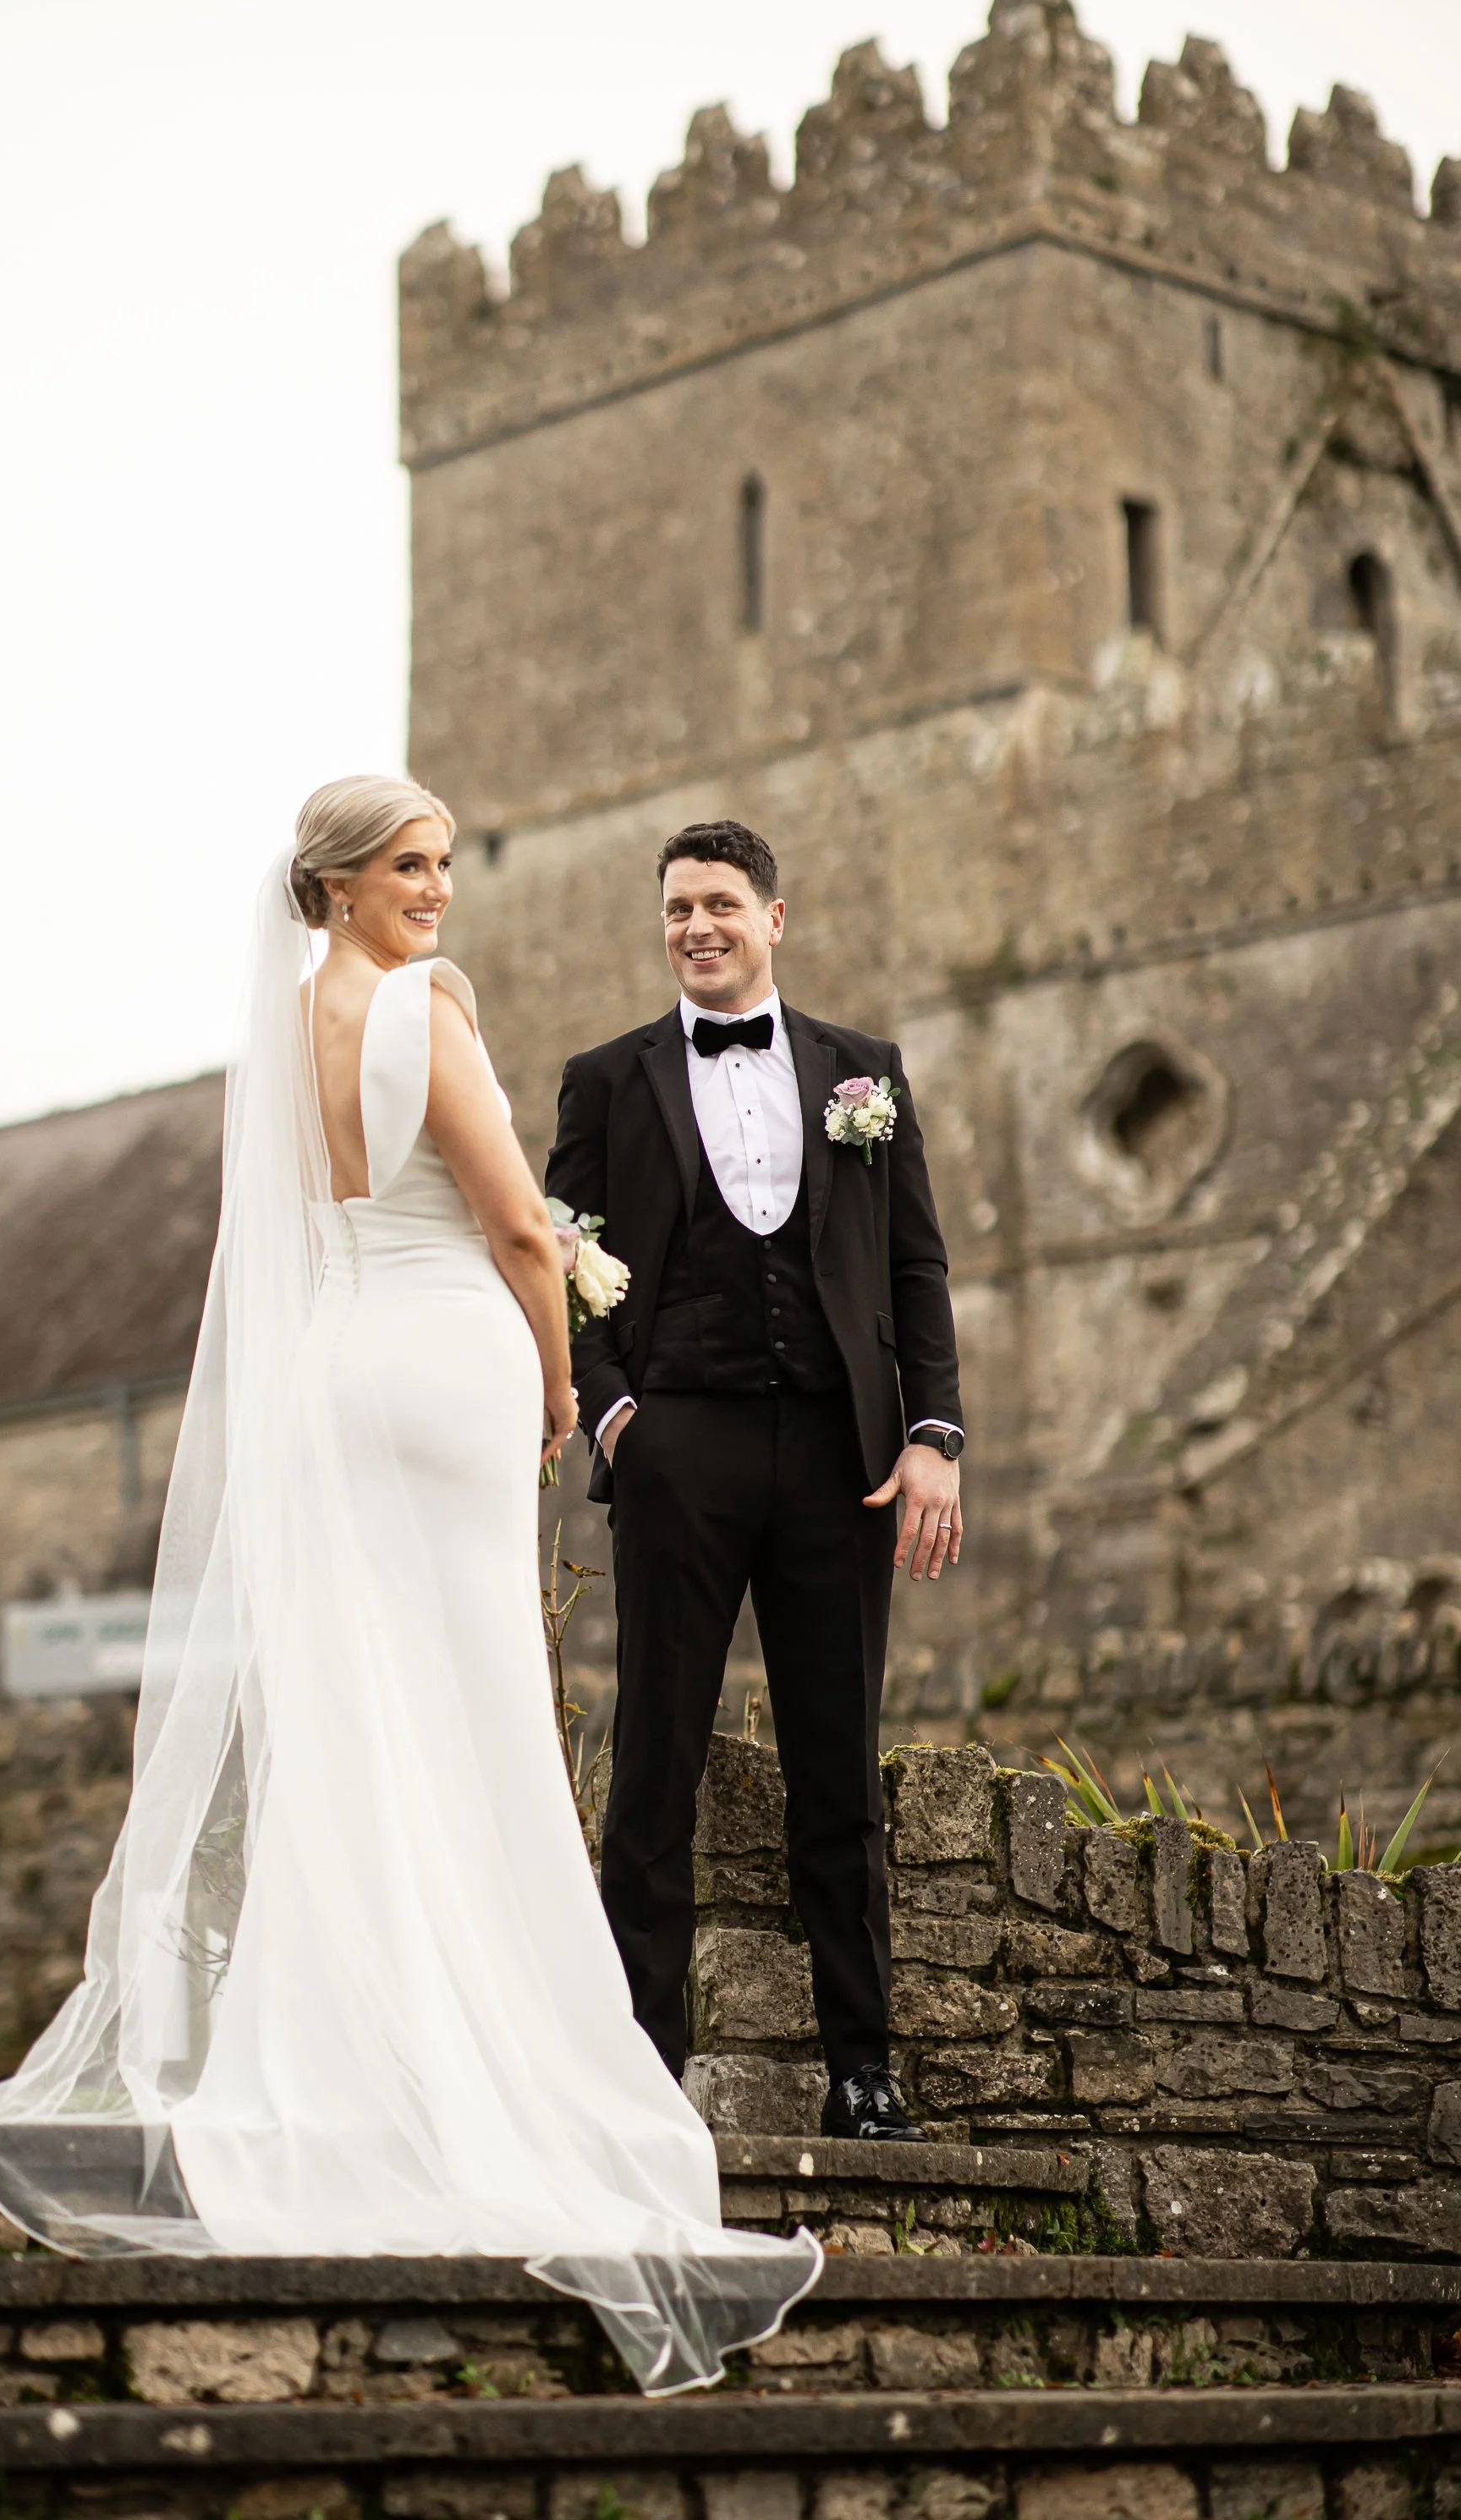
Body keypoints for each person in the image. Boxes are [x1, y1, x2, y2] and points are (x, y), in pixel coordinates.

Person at [0, 777, 820, 2394]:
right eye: (410, 867)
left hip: (338, 1369)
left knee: (360, 1715)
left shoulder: (282, 1033)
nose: (437, 889)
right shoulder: (427, 1005)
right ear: (343, 883)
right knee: (477, 1707)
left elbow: (293, 1225)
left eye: (439, 865)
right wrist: (562, 1378)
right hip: (443, 1370)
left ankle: (346, 2048)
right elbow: (509, 1223)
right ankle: (493, 2062)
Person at [545, 820, 964, 2143]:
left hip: (844, 1460)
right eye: (676, 909)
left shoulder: (865, 1073)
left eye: (720, 903)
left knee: (836, 1764)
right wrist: (615, 1414)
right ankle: (642, 2076)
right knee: (654, 1761)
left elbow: (915, 1268)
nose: (696, 927)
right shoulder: (606, 1081)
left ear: (775, 917)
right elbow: (570, 1254)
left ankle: (864, 2069)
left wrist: (934, 1436)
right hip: (681, 1451)